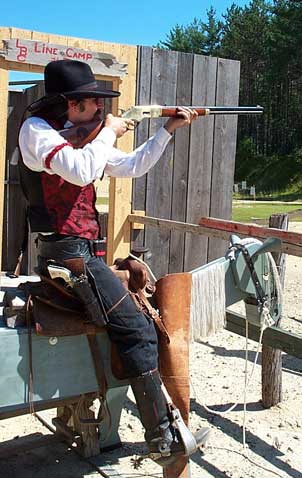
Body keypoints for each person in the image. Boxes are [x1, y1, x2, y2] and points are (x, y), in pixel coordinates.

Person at [18, 59, 210, 466]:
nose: (101, 111)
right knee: (138, 330)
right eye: (93, 103)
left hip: (84, 252)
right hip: (65, 255)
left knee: (137, 316)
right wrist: (107, 132)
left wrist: (165, 131)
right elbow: (81, 169)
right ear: (71, 105)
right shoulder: (36, 132)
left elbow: (131, 166)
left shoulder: (78, 137)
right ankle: (162, 437)